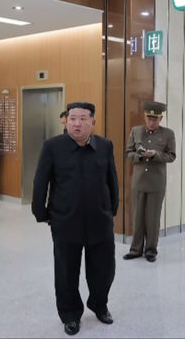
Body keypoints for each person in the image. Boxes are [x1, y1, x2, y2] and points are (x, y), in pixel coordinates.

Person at [32, 102, 119, 336]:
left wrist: (112, 209)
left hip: (99, 219)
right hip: (65, 220)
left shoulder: (105, 146)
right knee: (66, 272)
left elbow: (111, 180)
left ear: (93, 122)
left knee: (104, 269)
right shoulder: (53, 147)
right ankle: (70, 314)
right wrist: (41, 212)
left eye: (82, 119)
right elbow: (41, 182)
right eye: (72, 118)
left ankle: (99, 304)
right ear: (66, 121)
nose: (77, 123)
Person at [122, 101, 176, 262]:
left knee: (153, 218)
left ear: (160, 119)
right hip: (139, 181)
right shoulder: (136, 131)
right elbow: (128, 152)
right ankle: (135, 249)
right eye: (149, 118)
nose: (151, 122)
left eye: (155, 119)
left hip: (156, 182)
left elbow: (171, 156)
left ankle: (151, 250)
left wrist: (155, 155)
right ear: (145, 117)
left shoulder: (168, 134)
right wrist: (139, 156)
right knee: (137, 216)